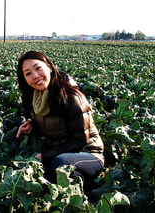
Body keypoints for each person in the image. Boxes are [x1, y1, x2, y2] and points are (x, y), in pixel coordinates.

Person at [16, 51, 104, 188]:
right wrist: (33, 127)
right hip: (60, 150)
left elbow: (80, 141)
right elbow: (53, 127)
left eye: (38, 68)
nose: (35, 76)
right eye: (28, 73)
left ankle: (82, 196)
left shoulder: (71, 97)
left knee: (60, 166)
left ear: (49, 67)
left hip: (87, 154)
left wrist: (45, 155)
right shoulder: (38, 98)